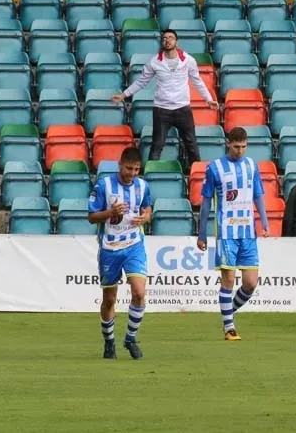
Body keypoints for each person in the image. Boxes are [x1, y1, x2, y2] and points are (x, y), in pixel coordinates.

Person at [196, 127, 271, 341]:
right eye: (237, 146)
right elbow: (206, 202)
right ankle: (229, 327)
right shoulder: (215, 168)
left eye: (244, 147)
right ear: (228, 143)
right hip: (226, 231)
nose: (240, 151)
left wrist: (264, 221)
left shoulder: (251, 165)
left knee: (251, 283)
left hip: (248, 231)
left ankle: (227, 313)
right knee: (228, 279)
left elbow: (258, 195)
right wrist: (202, 233)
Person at [112, 30, 218, 166]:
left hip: (183, 109)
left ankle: (198, 174)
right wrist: (123, 95)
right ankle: (151, 173)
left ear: (176, 42)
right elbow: (141, 81)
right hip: (162, 110)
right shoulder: (154, 62)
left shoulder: (188, 60)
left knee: (191, 144)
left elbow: (197, 81)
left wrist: (208, 99)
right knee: (157, 145)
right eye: (164, 38)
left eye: (171, 37)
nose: (167, 40)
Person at [87, 147, 152, 360]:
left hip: (134, 245)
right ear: (120, 165)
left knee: (139, 293)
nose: (132, 173)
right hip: (110, 248)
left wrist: (146, 217)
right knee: (109, 299)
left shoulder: (143, 186)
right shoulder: (104, 185)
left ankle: (130, 338)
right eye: (128, 168)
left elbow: (147, 208)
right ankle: (109, 342)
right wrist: (111, 212)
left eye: (136, 169)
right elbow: (91, 217)